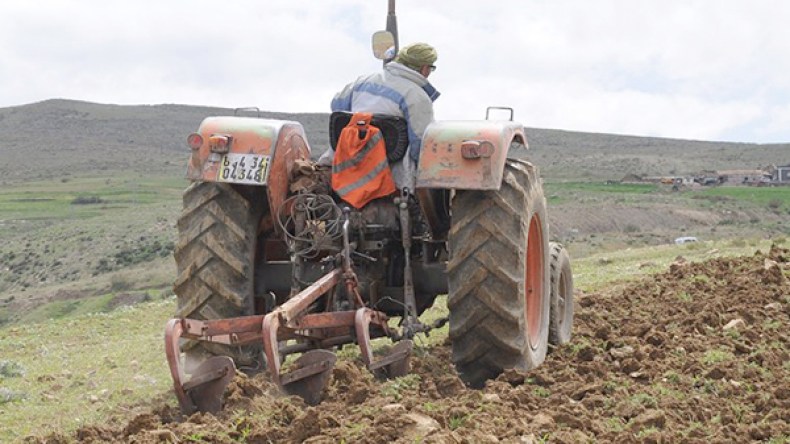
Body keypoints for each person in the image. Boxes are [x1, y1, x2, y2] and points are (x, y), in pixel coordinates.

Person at [318, 43, 440, 192]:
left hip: (347, 161)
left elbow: (337, 108)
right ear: (424, 68)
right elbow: (420, 145)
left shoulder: (361, 82)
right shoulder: (417, 96)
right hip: (393, 173)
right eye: (431, 68)